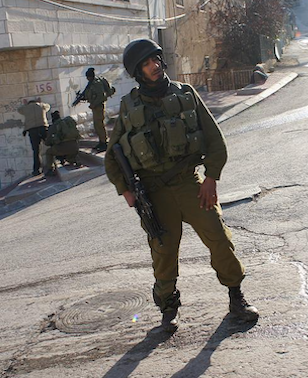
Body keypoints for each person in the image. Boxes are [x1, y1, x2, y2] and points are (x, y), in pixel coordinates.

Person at [105, 39, 258, 333]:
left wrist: (211, 177)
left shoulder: (185, 94)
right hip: (153, 190)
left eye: (157, 60)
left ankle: (236, 297)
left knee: (218, 236)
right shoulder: (129, 106)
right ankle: (168, 307)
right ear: (138, 72)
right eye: (148, 63)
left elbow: (214, 140)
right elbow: (113, 155)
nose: (155, 65)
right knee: (163, 251)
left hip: (189, 182)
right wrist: (125, 191)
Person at [82, 67, 115, 152]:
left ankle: (104, 142)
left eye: (87, 77)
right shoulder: (91, 83)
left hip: (98, 107)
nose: (87, 79)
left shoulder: (96, 83)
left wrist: (93, 104)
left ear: (90, 76)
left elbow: (101, 96)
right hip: (95, 107)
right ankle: (101, 141)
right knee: (97, 125)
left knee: (100, 125)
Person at [43, 110, 82, 176]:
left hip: (62, 148)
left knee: (48, 152)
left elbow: (47, 142)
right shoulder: (67, 123)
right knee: (69, 154)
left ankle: (49, 169)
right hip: (75, 146)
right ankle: (76, 159)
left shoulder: (54, 126)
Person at [17, 98, 50, 175]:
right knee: (49, 145)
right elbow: (48, 106)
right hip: (43, 128)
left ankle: (37, 170)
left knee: (36, 150)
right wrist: (41, 102)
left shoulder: (25, 108)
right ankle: (51, 165)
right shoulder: (42, 106)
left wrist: (25, 104)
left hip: (32, 131)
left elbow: (19, 110)